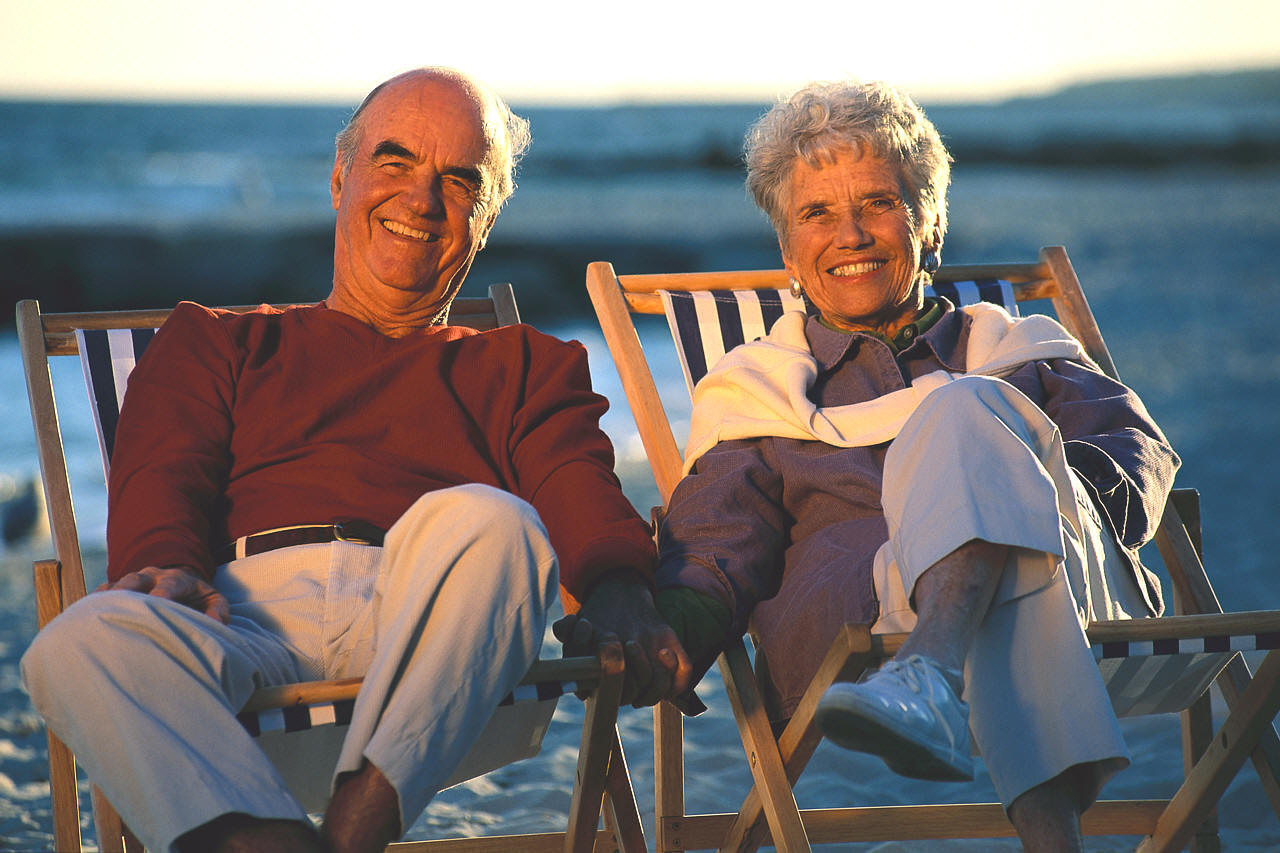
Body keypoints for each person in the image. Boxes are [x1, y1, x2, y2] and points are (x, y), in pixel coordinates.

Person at [21, 67, 659, 853]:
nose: (421, 200)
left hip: (434, 632)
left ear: (485, 220)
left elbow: (578, 487)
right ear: (339, 177)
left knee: (499, 524)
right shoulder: (216, 340)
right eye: (395, 162)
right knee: (75, 640)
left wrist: (622, 582)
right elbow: (165, 475)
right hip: (247, 621)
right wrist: (163, 565)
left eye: (459, 182)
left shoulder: (526, 365)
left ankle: (357, 820)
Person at [565, 80, 1179, 852]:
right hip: (867, 614)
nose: (849, 235)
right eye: (817, 214)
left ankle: (930, 670)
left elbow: (1132, 454)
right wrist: (674, 628)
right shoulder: (760, 393)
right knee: (968, 428)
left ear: (931, 225)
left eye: (879, 204)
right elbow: (720, 534)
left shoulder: (1020, 350)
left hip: (1073, 582)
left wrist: (1021, 498)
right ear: (789, 250)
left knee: (962, 413)